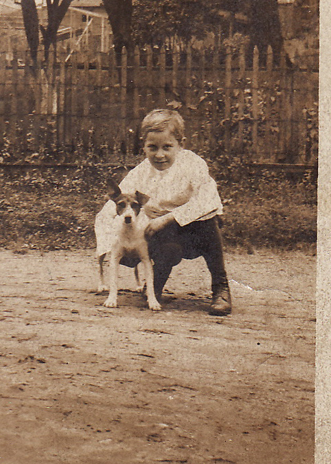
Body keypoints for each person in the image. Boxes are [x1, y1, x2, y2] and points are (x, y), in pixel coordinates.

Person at [94, 107, 232, 315]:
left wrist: (168, 218)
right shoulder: (140, 173)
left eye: (167, 147)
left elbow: (208, 200)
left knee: (209, 220)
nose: (160, 155)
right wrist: (111, 244)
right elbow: (114, 206)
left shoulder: (193, 164)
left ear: (181, 144)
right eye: (153, 147)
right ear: (144, 147)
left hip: (195, 232)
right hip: (165, 236)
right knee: (166, 247)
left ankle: (220, 287)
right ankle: (154, 287)